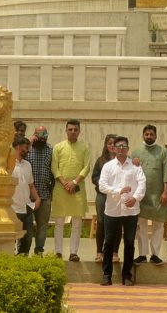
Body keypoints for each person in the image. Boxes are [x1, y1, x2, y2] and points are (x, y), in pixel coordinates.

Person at [98, 136, 146, 286]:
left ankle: (127, 275)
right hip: (112, 210)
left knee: (130, 242)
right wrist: (119, 190)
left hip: (131, 211)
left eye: (124, 146)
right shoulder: (108, 166)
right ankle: (107, 275)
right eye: (118, 146)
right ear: (113, 148)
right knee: (109, 243)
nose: (120, 149)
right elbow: (102, 186)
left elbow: (142, 184)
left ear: (127, 149)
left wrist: (136, 198)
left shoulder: (135, 166)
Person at [51, 118, 90, 261]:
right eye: (70, 129)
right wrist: (64, 183)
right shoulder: (58, 147)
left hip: (77, 188)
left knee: (77, 222)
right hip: (60, 189)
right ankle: (58, 252)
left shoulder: (84, 148)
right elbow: (54, 167)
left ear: (79, 131)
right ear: (66, 130)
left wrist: (74, 182)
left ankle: (73, 252)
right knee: (59, 221)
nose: (73, 132)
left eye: (75, 130)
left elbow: (86, 167)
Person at [132, 124, 167, 264]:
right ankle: (142, 254)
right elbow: (132, 175)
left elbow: (166, 173)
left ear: (155, 136)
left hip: (158, 195)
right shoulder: (136, 153)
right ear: (143, 135)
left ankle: (155, 254)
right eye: (146, 134)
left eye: (151, 134)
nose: (149, 137)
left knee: (158, 226)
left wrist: (166, 192)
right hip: (141, 196)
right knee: (141, 225)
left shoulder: (163, 152)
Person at [11, 136, 41, 256]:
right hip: (12, 209)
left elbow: (31, 185)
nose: (28, 151)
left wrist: (37, 199)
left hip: (27, 207)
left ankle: (22, 262)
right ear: (18, 147)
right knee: (11, 239)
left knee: (27, 239)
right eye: (26, 148)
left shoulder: (27, 164)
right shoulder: (8, 165)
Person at [27, 125, 54, 256]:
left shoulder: (50, 150)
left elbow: (54, 171)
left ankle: (39, 251)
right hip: (27, 196)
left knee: (42, 226)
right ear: (34, 135)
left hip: (44, 195)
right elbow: (15, 160)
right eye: (38, 135)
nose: (41, 138)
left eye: (44, 135)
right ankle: (23, 252)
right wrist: (30, 142)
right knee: (25, 226)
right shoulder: (27, 149)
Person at [91, 134, 117, 262]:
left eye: (114, 143)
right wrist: (103, 185)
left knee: (116, 224)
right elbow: (94, 177)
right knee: (101, 222)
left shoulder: (123, 159)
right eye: (110, 143)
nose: (112, 145)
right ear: (106, 145)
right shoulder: (100, 160)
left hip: (117, 197)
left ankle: (114, 253)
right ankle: (99, 252)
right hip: (102, 195)